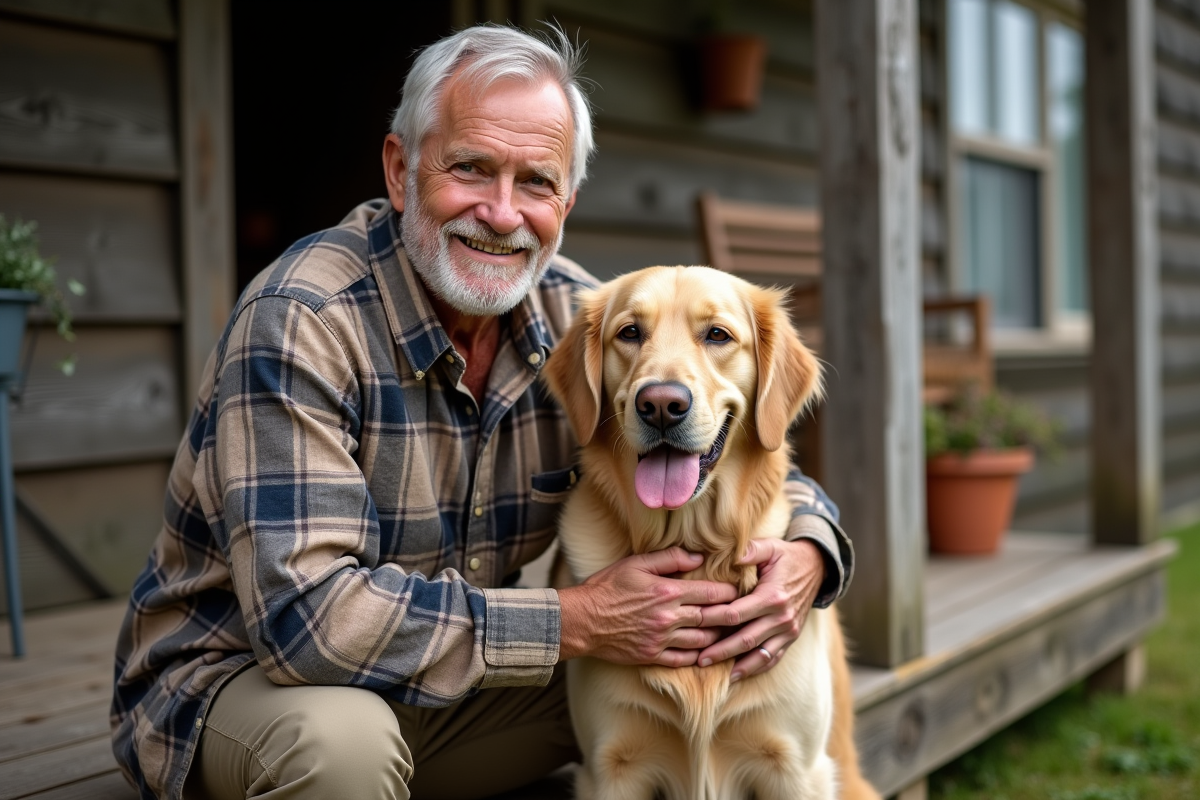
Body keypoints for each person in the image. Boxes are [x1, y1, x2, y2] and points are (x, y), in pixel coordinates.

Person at [111, 24, 854, 800]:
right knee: (342, 752)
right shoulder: (301, 321)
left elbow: (730, 448)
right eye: (470, 168)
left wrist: (810, 552)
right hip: (245, 689)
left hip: (449, 685)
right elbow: (308, 622)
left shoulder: (587, 319)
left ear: (566, 200)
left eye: (536, 181)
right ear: (401, 171)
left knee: (685, 682)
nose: (502, 214)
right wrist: (577, 621)